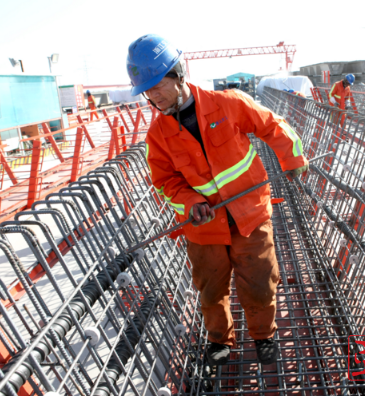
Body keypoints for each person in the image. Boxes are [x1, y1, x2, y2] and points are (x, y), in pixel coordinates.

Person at [127, 35, 309, 366]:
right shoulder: (157, 135)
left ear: (178, 74)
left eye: (157, 85)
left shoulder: (228, 103)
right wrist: (190, 202)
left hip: (249, 215)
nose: (153, 95)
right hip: (205, 227)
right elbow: (165, 181)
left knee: (260, 282)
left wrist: (293, 157)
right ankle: (219, 340)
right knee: (211, 289)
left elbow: (272, 125)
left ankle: (263, 335)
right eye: (147, 90)